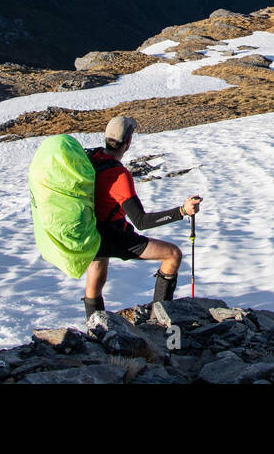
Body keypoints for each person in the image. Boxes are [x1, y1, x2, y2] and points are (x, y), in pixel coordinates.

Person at [82, 116, 201, 325]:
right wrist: (182, 211)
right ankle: (159, 319)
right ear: (127, 143)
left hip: (91, 233)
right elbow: (141, 221)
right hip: (117, 236)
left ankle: (96, 329)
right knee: (172, 255)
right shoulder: (119, 175)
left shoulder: (90, 158)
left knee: (95, 281)